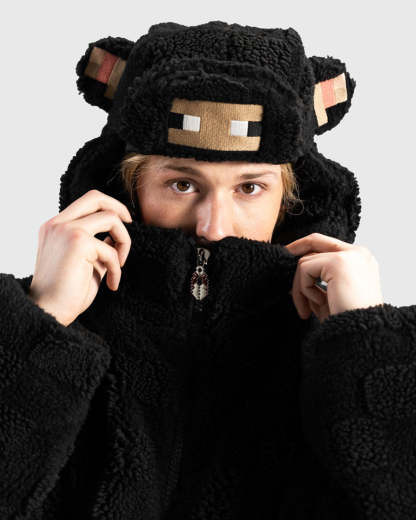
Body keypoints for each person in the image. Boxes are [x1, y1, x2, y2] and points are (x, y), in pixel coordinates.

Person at [1, 20, 415, 520]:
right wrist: (40, 322)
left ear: (291, 197)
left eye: (249, 188)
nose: (213, 227)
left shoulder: (343, 344)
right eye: (181, 184)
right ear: (128, 186)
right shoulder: (38, 328)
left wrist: (367, 344)